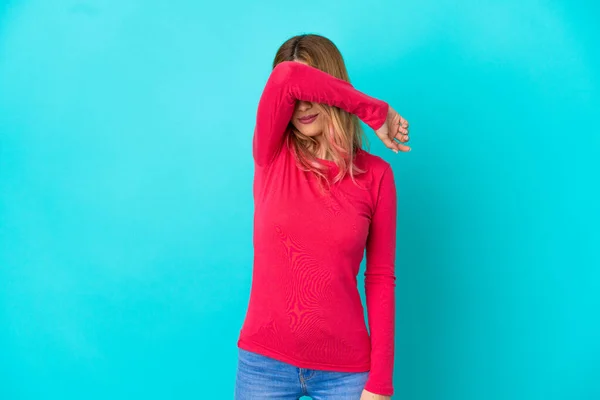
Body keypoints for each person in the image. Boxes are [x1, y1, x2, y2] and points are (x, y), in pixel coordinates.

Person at [235, 33, 410, 400]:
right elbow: (285, 78)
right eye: (296, 96)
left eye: (314, 86)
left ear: (332, 84)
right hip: (264, 363)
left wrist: (380, 382)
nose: (301, 106)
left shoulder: (376, 176)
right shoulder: (271, 154)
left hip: (345, 372)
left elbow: (380, 279)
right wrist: (373, 110)